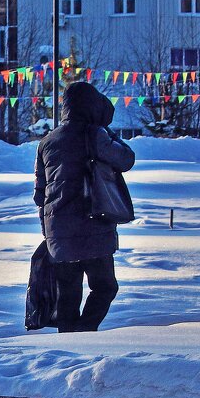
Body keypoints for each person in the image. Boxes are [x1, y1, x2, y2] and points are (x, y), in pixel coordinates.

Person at [33, 81, 136, 332]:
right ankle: (84, 334)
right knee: (105, 287)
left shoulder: (47, 142)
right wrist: (105, 129)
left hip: (58, 231)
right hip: (94, 224)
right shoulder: (95, 134)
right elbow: (126, 158)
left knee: (67, 294)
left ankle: (69, 348)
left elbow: (39, 195)